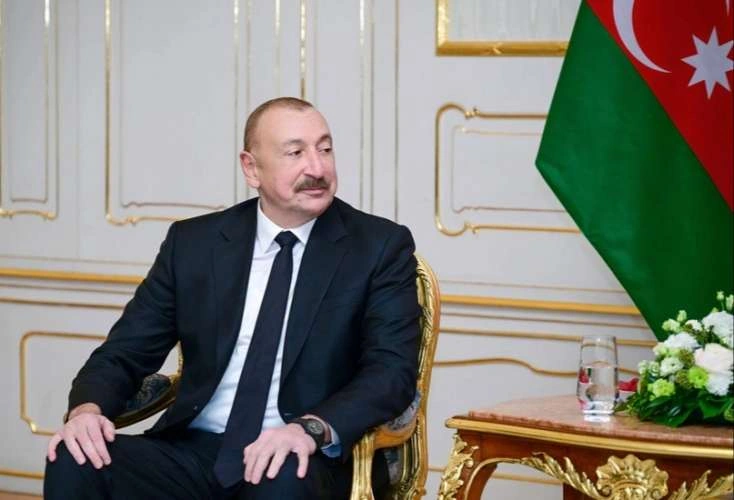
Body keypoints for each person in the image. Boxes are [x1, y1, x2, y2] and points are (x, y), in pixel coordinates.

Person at [44, 97, 420, 499]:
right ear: (251, 168)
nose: (317, 168)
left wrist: (310, 428)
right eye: (295, 153)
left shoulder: (378, 247)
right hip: (194, 450)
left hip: (303, 455)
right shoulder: (195, 244)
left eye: (325, 149)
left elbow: (390, 372)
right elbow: (125, 351)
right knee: (74, 456)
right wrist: (87, 411)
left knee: (283, 478)